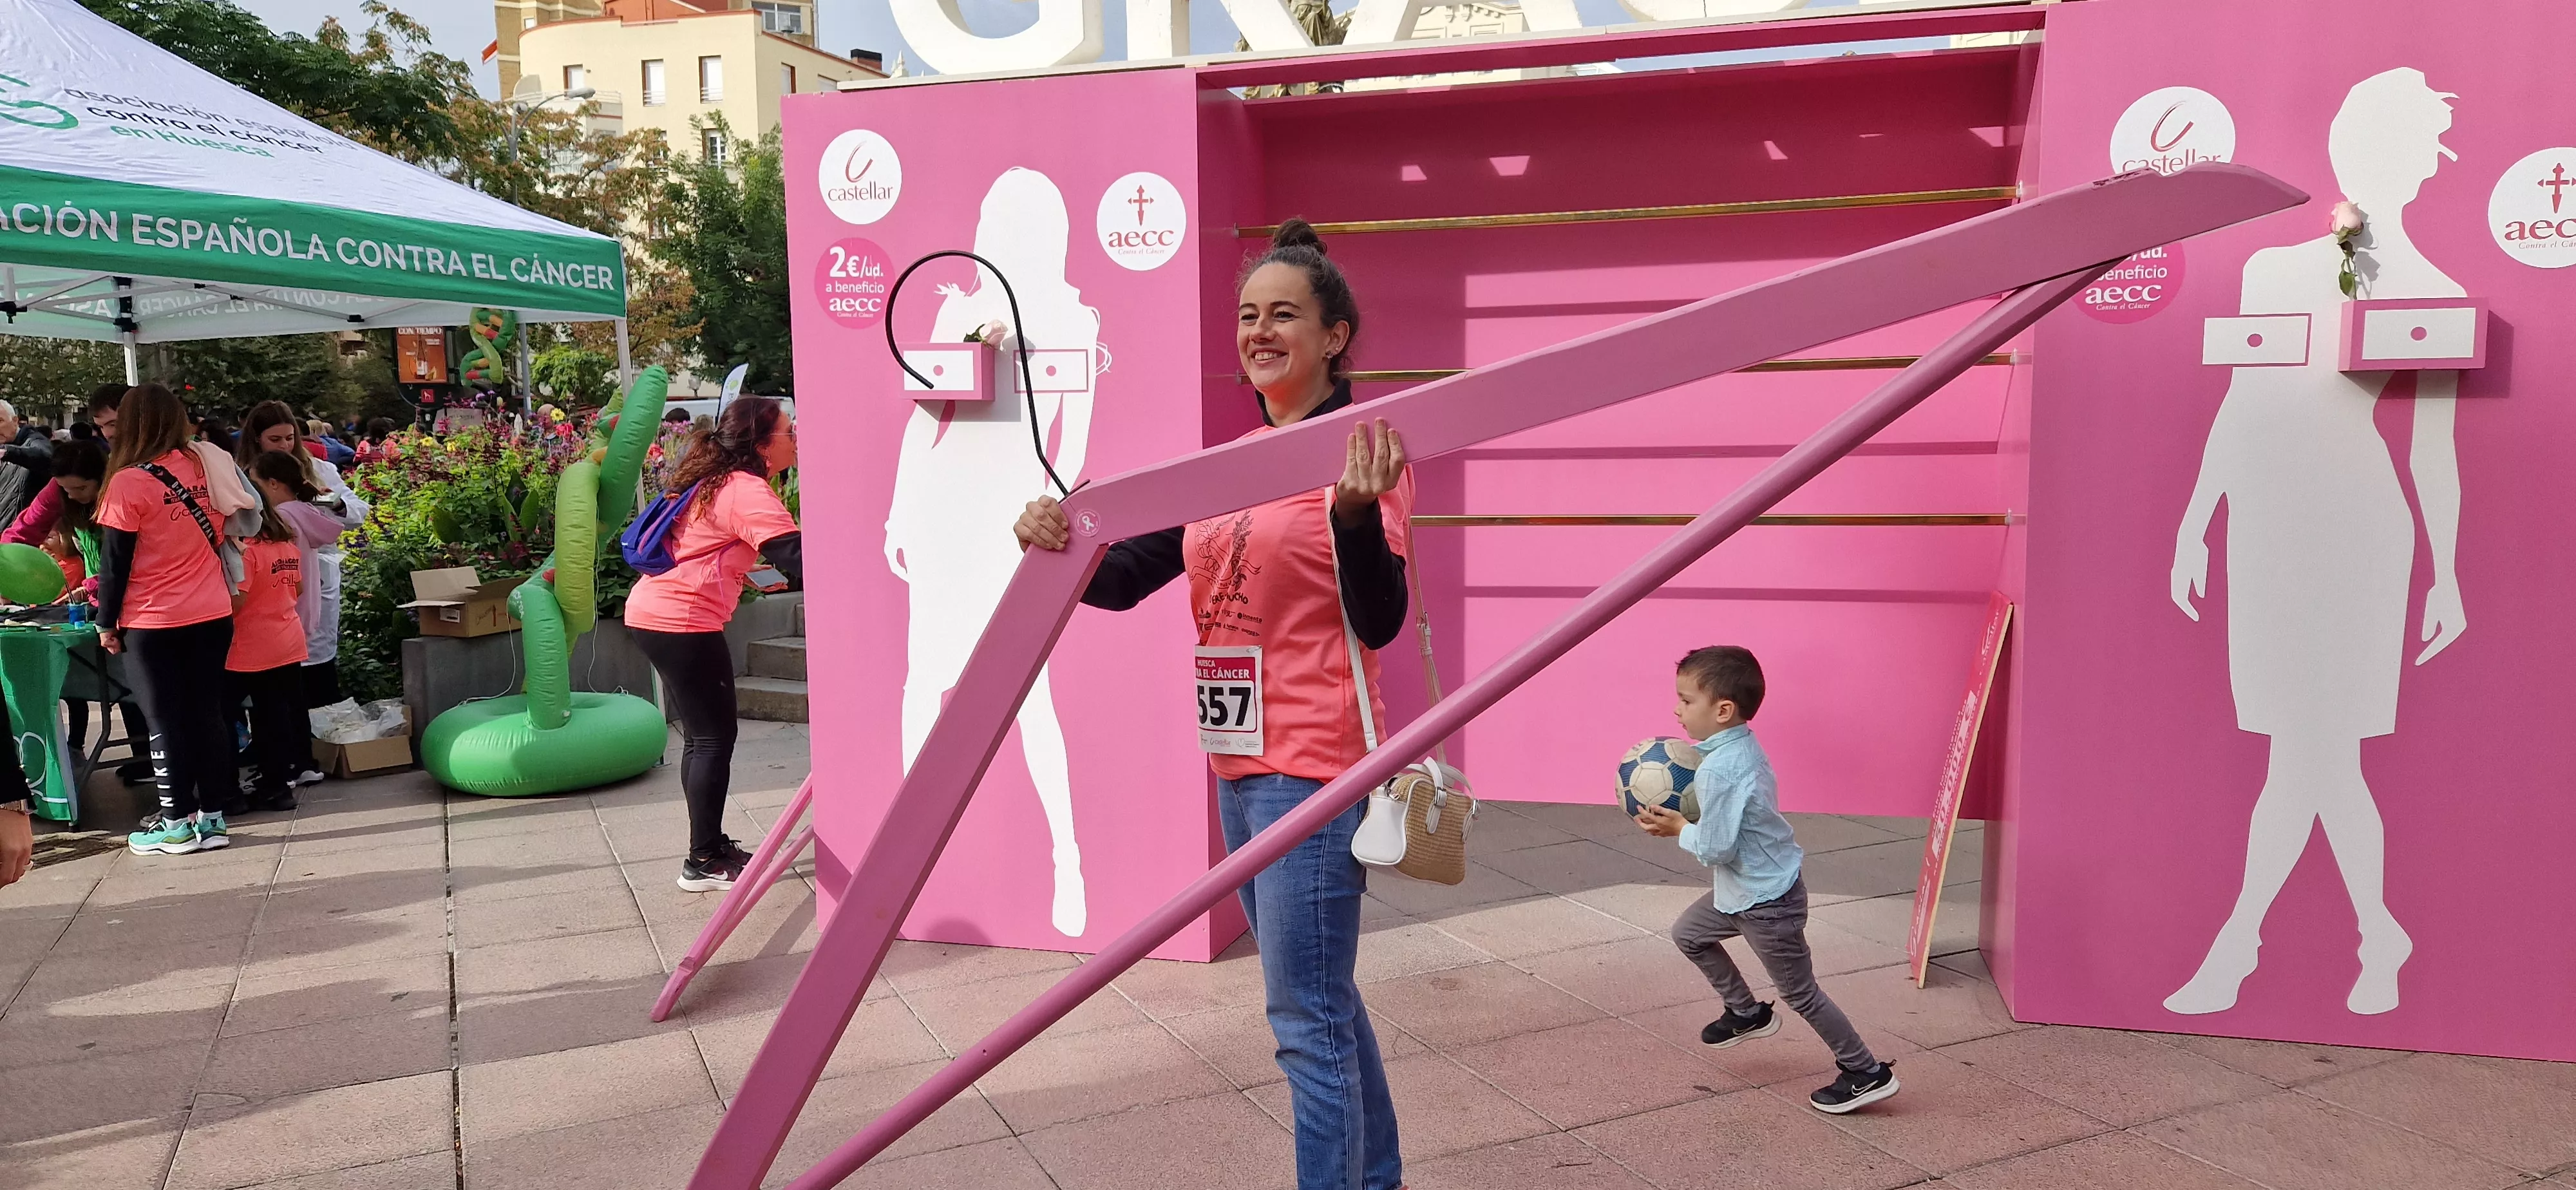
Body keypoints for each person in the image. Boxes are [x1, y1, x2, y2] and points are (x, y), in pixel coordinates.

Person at [1014, 220, 1407, 1190]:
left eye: (1285, 315)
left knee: (1303, 1021)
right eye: (1247, 316)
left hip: (1313, 766)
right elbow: (1120, 579)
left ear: (1336, 337)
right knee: (1323, 1002)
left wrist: (1354, 514)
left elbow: (1381, 616)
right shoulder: (1230, 462)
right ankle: (1380, 1175)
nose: (1259, 331)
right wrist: (1053, 534)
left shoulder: (1360, 455)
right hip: (1237, 762)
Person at [889, 166, 1102, 936]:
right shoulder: (969, 311)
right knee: (925, 684)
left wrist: (1050, 500)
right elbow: (926, 421)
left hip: (1013, 519)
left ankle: (1066, 859)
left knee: (1027, 696)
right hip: (946, 512)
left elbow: (1071, 442)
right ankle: (910, 854)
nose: (991, 236)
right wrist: (897, 515)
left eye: (1004, 223)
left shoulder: (1074, 320)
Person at [1634, 646, 1900, 1115]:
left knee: (1801, 993)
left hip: (1766, 902)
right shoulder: (1735, 746)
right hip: (1744, 890)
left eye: (1685, 700)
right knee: (1689, 934)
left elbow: (1717, 848)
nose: (1676, 710)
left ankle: (1865, 1071)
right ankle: (1746, 1013)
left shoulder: (1720, 768)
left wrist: (1677, 828)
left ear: (1722, 710)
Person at [624, 396, 803, 892]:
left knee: (704, 738)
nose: (795, 438)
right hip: (683, 621)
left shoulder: (717, 480)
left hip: (658, 614)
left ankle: (711, 846)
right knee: (712, 739)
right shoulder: (745, 488)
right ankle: (702, 860)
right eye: (789, 431)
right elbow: (796, 554)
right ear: (763, 444)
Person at [95, 384, 238, 856]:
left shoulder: (128, 482)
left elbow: (115, 564)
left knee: (164, 721)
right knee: (208, 714)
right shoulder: (206, 465)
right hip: (213, 612)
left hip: (153, 621)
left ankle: (175, 823)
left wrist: (105, 622)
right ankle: (213, 819)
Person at [239, 401, 368, 708]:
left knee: (317, 665)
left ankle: (321, 742)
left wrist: (328, 501)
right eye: (275, 440)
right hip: (264, 581)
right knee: (271, 675)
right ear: (256, 439)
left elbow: (357, 512)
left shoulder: (318, 469)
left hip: (314, 575)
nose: (285, 446)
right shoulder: (245, 475)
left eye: (289, 438)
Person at [228, 458, 308, 813]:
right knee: (275, 717)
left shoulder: (247, 552)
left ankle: (228, 789)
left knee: (223, 714)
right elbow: (300, 588)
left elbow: (239, 602)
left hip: (247, 648)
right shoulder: (286, 546)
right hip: (287, 641)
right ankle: (278, 787)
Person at [0, 397, 55, 528]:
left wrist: (8, 452)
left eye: (0, 421)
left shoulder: (34, 440)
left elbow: (46, 458)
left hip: (24, 534)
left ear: (15, 421)